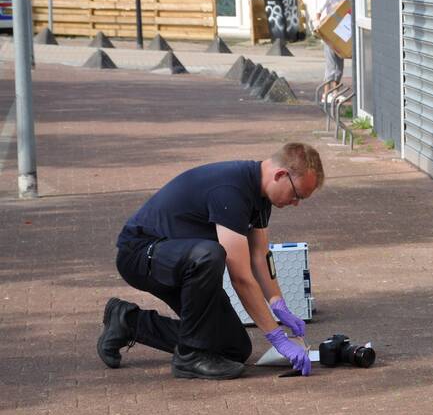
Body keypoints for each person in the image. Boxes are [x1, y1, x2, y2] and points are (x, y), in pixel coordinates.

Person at [96, 143, 324, 380]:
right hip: (141, 254)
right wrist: (276, 337)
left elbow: (260, 255)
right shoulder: (231, 191)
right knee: (210, 255)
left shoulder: (261, 194)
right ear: (280, 175)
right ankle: (190, 357)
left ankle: (129, 321)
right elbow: (241, 278)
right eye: (297, 195)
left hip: (181, 262)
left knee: (233, 348)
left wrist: (278, 304)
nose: (295, 203)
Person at [315, 0, 350, 97]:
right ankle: (326, 94)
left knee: (339, 67)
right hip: (329, 37)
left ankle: (335, 93)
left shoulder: (346, 1)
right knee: (331, 66)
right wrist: (318, 24)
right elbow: (319, 10)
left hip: (340, 37)